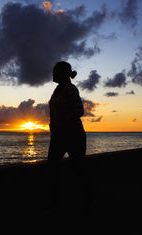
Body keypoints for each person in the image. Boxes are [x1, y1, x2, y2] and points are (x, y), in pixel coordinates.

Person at [48, 61, 89, 213]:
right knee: (52, 169)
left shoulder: (70, 89)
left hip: (74, 137)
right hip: (58, 138)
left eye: (55, 71)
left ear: (63, 73)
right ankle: (56, 202)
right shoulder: (57, 90)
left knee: (79, 171)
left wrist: (64, 123)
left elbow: (79, 110)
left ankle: (87, 202)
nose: (52, 74)